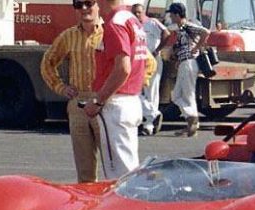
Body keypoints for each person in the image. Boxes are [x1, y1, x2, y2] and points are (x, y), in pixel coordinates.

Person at [40, 0, 104, 183]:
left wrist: (126, 91)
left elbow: (146, 62)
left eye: (88, 3)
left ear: (98, 4)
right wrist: (61, 87)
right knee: (84, 167)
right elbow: (47, 63)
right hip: (78, 102)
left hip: (104, 101)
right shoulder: (68, 36)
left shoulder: (111, 32)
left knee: (113, 164)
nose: (84, 8)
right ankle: (88, 199)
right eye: (78, 4)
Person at [84, 0, 147, 179]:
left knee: (119, 174)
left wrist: (98, 101)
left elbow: (123, 68)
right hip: (130, 99)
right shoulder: (130, 19)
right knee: (128, 167)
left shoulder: (115, 24)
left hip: (116, 103)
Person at [166, 2, 209, 137]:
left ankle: (192, 121)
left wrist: (196, 48)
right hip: (184, 62)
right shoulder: (181, 29)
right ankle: (191, 120)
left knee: (187, 94)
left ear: (177, 14)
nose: (170, 17)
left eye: (172, 14)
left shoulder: (188, 26)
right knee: (177, 95)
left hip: (189, 62)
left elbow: (205, 32)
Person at [132, 4, 170, 136]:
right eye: (134, 13)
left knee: (151, 91)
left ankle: (149, 124)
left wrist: (157, 50)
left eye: (139, 12)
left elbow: (167, 33)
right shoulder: (134, 25)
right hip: (139, 60)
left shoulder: (152, 22)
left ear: (144, 12)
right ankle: (151, 115)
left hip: (152, 60)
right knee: (137, 91)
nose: (137, 15)